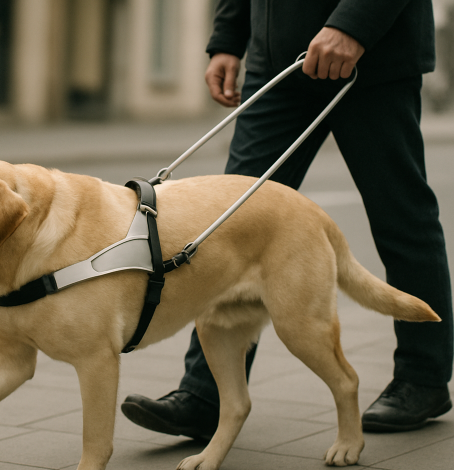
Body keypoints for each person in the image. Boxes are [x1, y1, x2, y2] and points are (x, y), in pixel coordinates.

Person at [121, 0, 453, 437]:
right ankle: (207, 393)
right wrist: (227, 39)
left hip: (372, 58)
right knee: (230, 225)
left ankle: (423, 379)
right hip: (278, 60)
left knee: (401, 218)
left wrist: (353, 25)